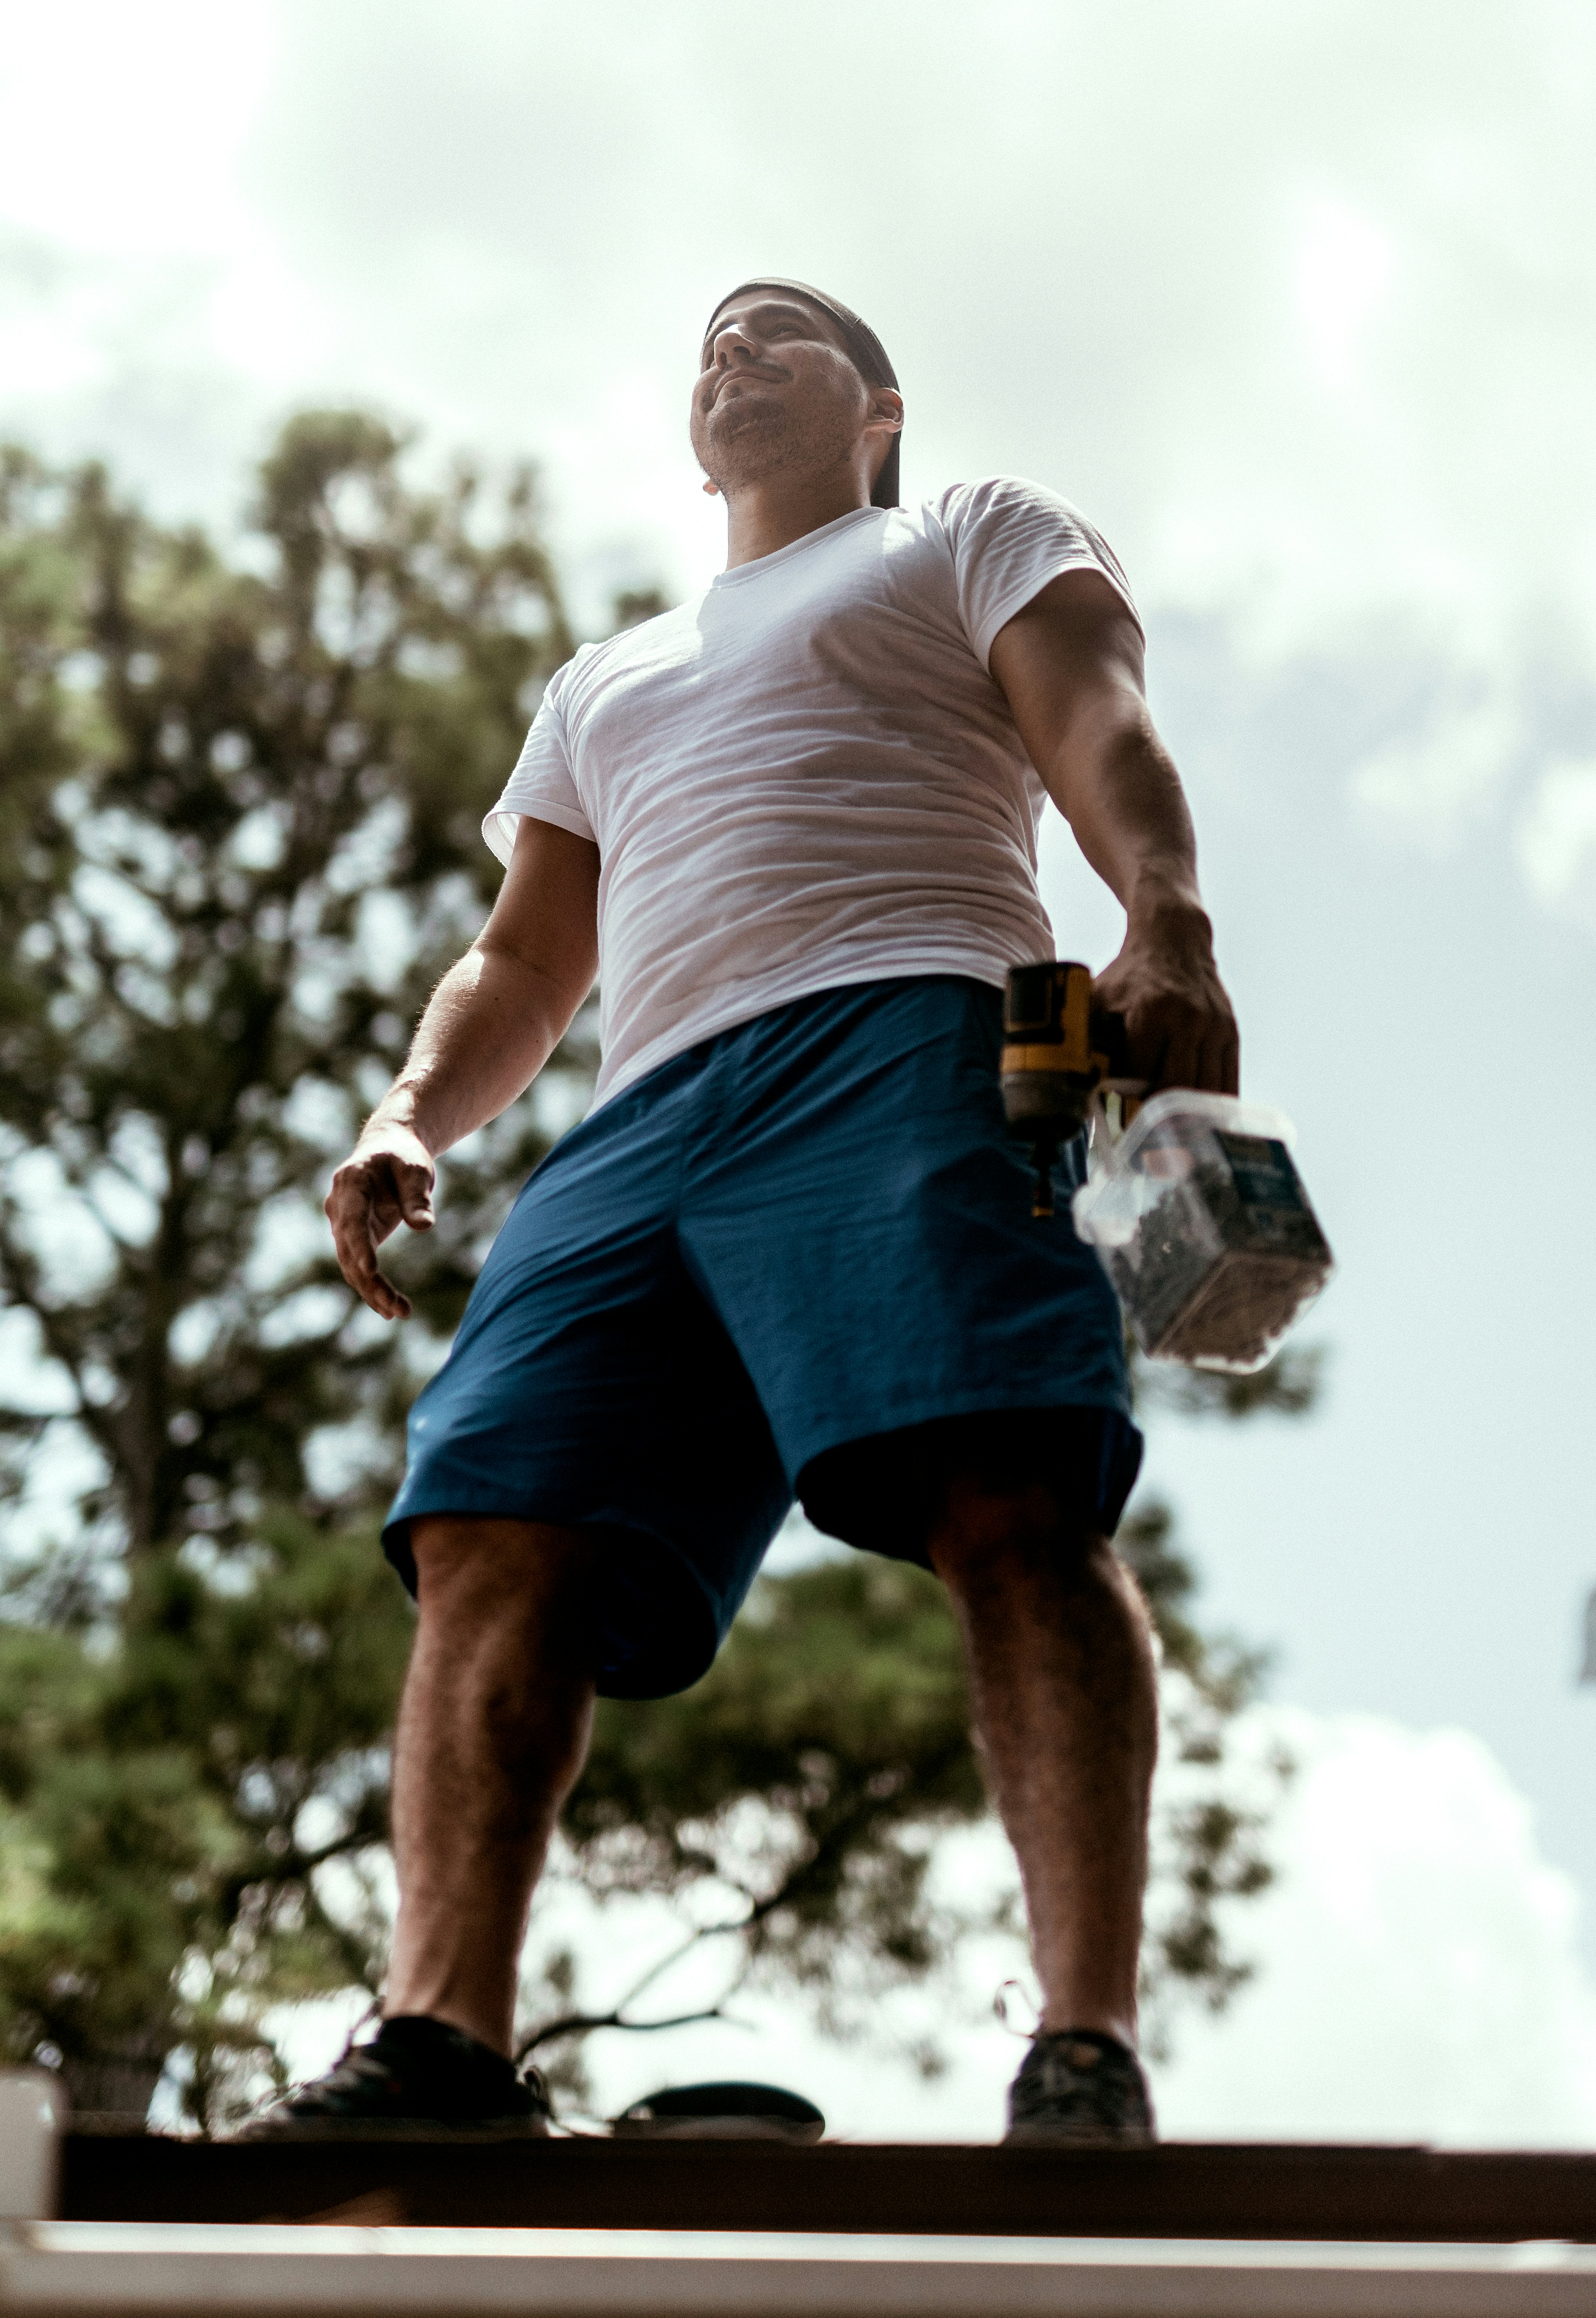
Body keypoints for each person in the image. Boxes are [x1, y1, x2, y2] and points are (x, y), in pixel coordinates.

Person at [249, 280, 1238, 2146]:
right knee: (487, 1528)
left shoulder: (963, 533)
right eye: (711, 338)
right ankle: (442, 2042)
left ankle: (1083, 2046)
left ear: (876, 405)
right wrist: (409, 1110)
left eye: (778, 333)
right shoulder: (602, 679)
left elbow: (1101, 724)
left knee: (1012, 1492)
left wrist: (1163, 921)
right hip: (638, 1126)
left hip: (910, 1031)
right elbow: (527, 955)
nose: (733, 353)